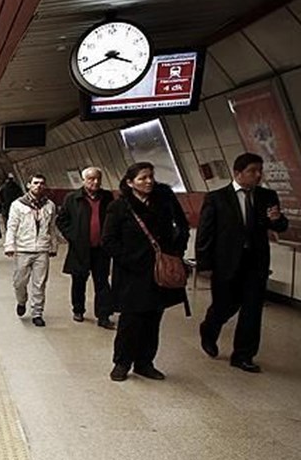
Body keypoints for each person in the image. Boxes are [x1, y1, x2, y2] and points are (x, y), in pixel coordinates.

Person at [197, 152, 290, 373]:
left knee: (252, 310)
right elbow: (205, 233)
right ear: (238, 173)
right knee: (223, 306)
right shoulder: (217, 198)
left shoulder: (267, 196)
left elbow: (279, 226)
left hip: (255, 264)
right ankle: (209, 330)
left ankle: (243, 355)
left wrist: (278, 220)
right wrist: (204, 264)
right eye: (252, 171)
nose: (258, 175)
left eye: (260, 171)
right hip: (225, 263)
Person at [102, 163, 190, 381]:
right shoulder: (119, 207)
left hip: (159, 271)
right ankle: (122, 362)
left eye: (151, 177)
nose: (149, 181)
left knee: (153, 318)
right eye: (142, 178)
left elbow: (182, 226)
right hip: (132, 273)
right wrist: (129, 259)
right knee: (131, 320)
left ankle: (145, 362)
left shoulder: (164, 201)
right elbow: (109, 241)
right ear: (130, 183)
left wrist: (175, 253)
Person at [55, 167, 116, 329]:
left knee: (102, 282)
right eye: (91, 179)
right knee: (79, 280)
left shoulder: (107, 197)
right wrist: (73, 236)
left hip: (101, 249)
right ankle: (78, 309)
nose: (95, 182)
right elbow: (61, 220)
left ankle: (103, 315)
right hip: (80, 248)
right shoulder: (72, 198)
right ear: (83, 181)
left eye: (97, 179)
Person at [4, 174, 58, 327]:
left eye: (41, 183)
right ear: (28, 185)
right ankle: (22, 301)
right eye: (35, 183)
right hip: (22, 249)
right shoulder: (17, 205)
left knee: (39, 284)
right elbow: (12, 226)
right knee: (19, 282)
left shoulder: (50, 206)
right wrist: (9, 245)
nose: (38, 186)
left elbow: (52, 227)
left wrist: (53, 246)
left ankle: (37, 313)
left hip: (42, 249)